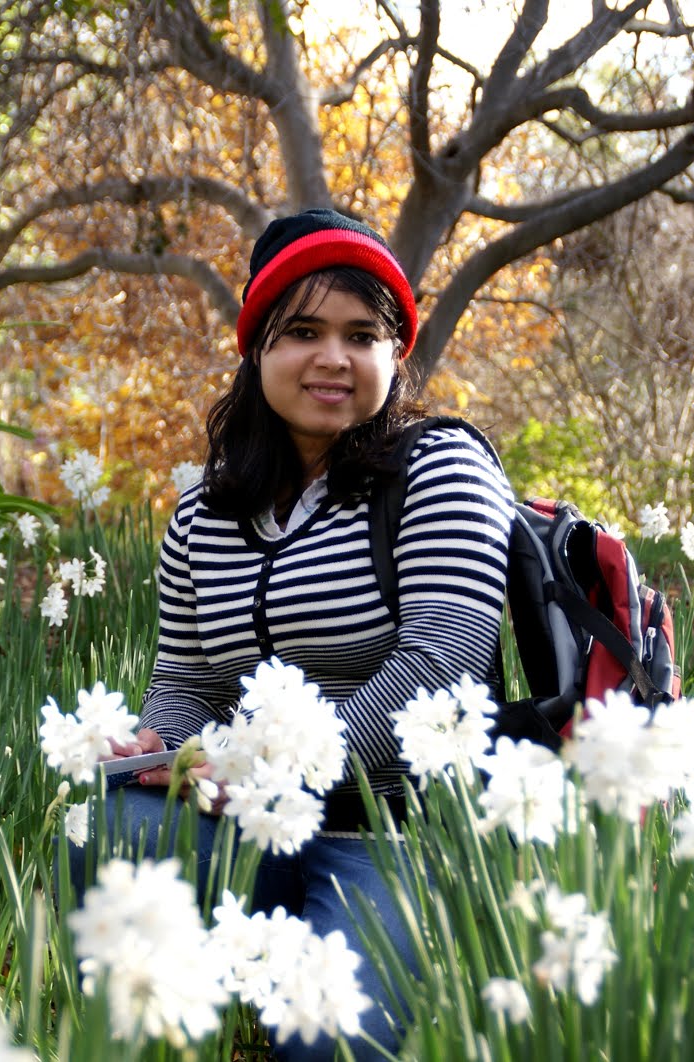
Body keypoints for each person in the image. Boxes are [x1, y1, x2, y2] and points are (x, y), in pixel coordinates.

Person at [77, 208, 515, 1060]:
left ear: (395, 354)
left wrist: (260, 769)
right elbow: (190, 678)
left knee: (329, 1040)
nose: (333, 358)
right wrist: (161, 747)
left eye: (362, 334)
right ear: (258, 348)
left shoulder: (441, 465)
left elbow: (444, 664)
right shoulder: (206, 511)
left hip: (396, 833)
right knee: (113, 830)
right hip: (251, 824)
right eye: (302, 331)